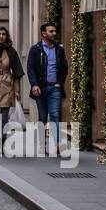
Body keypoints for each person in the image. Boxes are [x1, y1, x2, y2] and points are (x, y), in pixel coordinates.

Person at [26, 23, 70, 154]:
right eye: (51, 31)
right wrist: (34, 84)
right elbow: (30, 68)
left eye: (55, 31)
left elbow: (64, 68)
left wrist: (60, 83)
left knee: (55, 115)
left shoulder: (59, 49)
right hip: (40, 88)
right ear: (43, 34)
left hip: (54, 88)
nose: (54, 33)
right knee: (43, 117)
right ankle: (41, 144)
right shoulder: (35, 49)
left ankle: (57, 144)